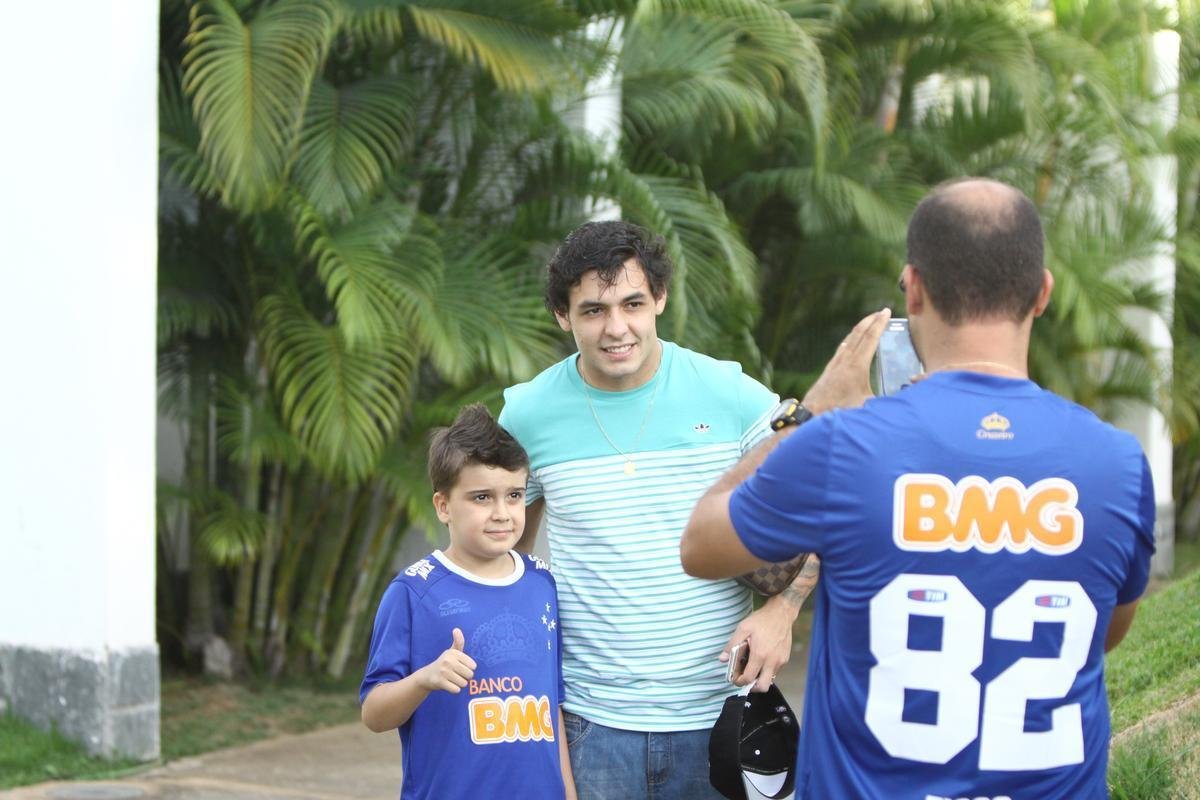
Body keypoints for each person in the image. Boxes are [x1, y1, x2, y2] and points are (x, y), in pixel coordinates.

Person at [681, 178, 1156, 799]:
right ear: (1042, 293)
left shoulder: (844, 446)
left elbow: (700, 543)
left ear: (914, 289)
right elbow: (1103, 632)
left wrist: (810, 412)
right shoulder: (1117, 464)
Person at [498, 221, 820, 799]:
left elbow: (826, 501)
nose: (616, 328)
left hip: (721, 717)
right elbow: (502, 554)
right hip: (591, 723)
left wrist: (783, 611)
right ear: (563, 316)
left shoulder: (730, 394)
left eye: (633, 304)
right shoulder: (527, 415)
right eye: (593, 310)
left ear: (661, 300)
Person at [360, 404, 577, 800]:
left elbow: (553, 706)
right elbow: (374, 713)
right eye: (482, 497)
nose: (502, 513)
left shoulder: (541, 583)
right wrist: (424, 679)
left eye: (514, 495)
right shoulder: (413, 592)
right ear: (443, 506)